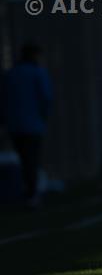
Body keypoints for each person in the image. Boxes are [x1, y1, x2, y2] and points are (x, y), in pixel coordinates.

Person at [3, 43, 53, 206]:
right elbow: (46, 98)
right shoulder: (37, 73)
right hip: (32, 124)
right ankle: (32, 193)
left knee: (24, 159)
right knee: (31, 158)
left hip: (15, 124)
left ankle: (28, 191)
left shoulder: (11, 74)